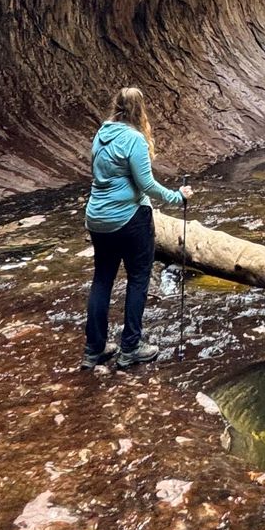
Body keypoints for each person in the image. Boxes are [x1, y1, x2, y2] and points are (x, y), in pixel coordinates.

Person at [82, 85, 191, 370]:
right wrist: (177, 197)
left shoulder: (101, 133)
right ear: (140, 110)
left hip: (97, 218)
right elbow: (146, 185)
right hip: (129, 219)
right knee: (138, 278)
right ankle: (130, 347)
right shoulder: (135, 140)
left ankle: (94, 349)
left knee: (102, 279)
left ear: (116, 106)